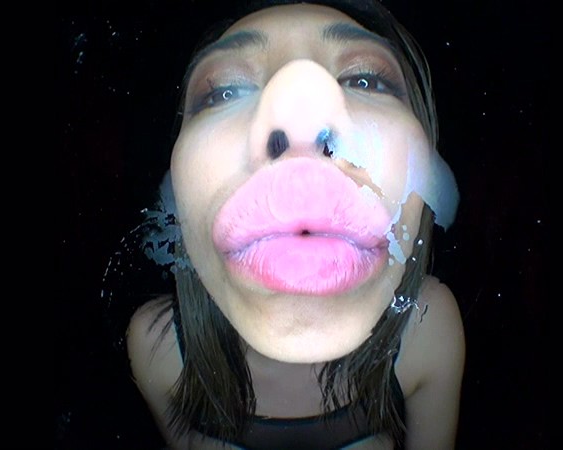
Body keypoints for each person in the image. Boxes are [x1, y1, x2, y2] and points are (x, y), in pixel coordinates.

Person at [126, 1, 464, 448]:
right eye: (224, 91)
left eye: (365, 79)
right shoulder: (155, 349)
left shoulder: (430, 330)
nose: (301, 120)